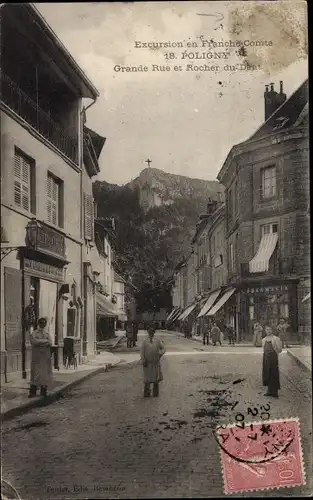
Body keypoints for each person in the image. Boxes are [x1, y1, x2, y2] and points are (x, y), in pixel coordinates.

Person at [28, 317, 53, 398]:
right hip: (37, 357)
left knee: (44, 374)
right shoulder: (34, 333)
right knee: (35, 374)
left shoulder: (47, 334)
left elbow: (50, 343)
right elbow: (34, 342)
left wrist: (41, 342)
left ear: (45, 324)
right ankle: (33, 392)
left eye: (44, 323)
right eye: (41, 323)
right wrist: (44, 341)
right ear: (39, 323)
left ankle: (43, 391)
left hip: (45, 357)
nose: (43, 324)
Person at [140, 323, 166, 397]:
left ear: (154, 333)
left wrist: (160, 354)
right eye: (150, 332)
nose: (151, 333)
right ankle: (147, 393)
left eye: (152, 332)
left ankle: (155, 393)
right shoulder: (145, 341)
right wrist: (143, 359)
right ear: (148, 332)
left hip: (155, 362)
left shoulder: (157, 341)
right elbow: (142, 351)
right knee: (147, 379)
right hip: (147, 363)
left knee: (155, 379)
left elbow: (164, 348)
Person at [262, 325, 283, 398]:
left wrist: (276, 351)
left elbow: (280, 350)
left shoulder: (276, 338)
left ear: (272, 330)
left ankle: (275, 392)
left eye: (270, 329)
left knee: (274, 373)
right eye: (267, 329)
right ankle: (269, 391)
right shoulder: (264, 339)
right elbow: (264, 349)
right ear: (265, 330)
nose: (268, 331)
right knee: (267, 374)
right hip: (266, 359)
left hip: (273, 359)